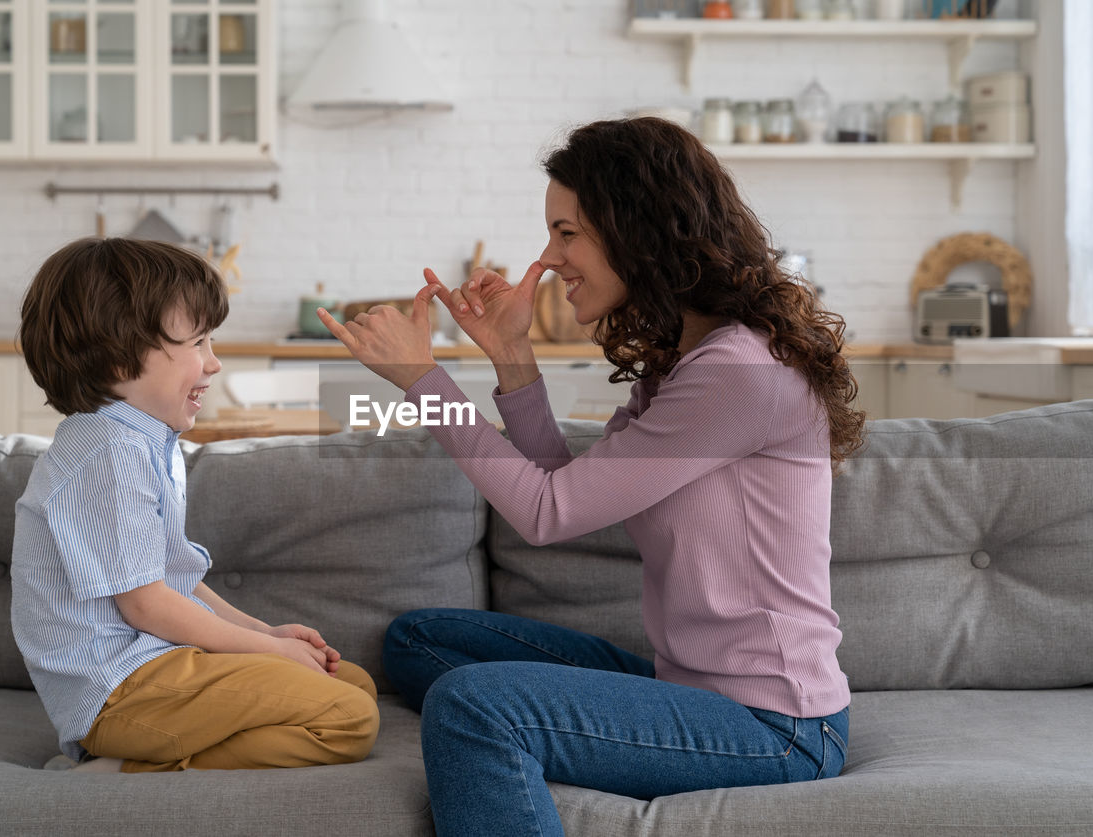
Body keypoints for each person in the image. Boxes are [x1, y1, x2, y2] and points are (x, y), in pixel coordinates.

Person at [317, 117, 864, 836]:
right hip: (692, 686)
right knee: (420, 640)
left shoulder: (737, 372)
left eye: (566, 232)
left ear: (635, 227)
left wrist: (424, 380)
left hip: (774, 722)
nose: (551, 257)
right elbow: (561, 492)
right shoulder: (688, 358)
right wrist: (513, 355)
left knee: (473, 705)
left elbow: (545, 512)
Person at [12, 237, 379, 773]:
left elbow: (166, 578)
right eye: (198, 343)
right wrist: (270, 654)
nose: (215, 363)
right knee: (350, 718)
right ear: (120, 355)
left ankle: (146, 750)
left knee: (352, 685)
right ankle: (120, 766)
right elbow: (147, 606)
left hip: (156, 665)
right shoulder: (108, 455)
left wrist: (263, 633)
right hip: (120, 691)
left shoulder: (137, 441)